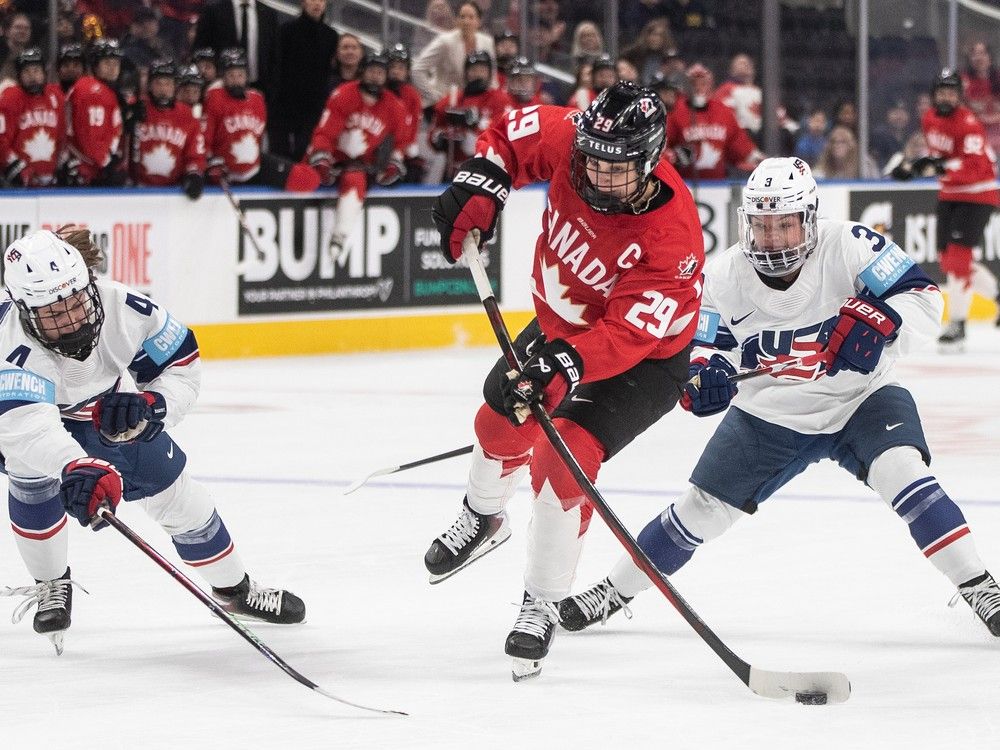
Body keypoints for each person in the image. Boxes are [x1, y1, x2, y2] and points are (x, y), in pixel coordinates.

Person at [558, 157, 1000, 643]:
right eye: (762, 226)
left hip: (862, 397)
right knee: (700, 509)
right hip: (769, 413)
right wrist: (704, 379)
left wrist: (882, 320)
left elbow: (924, 298)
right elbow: (701, 350)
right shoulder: (723, 275)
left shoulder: (850, 244)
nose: (772, 238)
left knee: (904, 471)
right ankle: (615, 590)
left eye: (785, 224)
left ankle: (979, 585)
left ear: (809, 217)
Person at [424, 81, 704, 680]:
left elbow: (628, 336)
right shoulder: (576, 140)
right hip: (562, 327)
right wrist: (482, 184)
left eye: (615, 168)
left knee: (560, 457)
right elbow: (508, 137)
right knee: (496, 419)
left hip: (643, 361)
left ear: (650, 162)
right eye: (592, 160)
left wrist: (564, 367)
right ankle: (484, 513)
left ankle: (541, 601)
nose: (597, 175)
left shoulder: (671, 240)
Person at [0, 228, 306, 655]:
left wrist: (152, 407)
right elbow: (27, 428)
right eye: (53, 312)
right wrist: (75, 466)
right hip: (21, 421)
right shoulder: (10, 346)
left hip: (103, 405)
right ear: (23, 310)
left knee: (183, 499)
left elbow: (182, 363)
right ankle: (52, 583)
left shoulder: (124, 306)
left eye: (74, 302)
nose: (71, 319)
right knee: (31, 476)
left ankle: (236, 589)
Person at [893, 69, 1000, 347]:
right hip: (950, 194)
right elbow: (941, 158)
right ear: (933, 95)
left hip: (977, 196)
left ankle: (958, 324)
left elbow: (976, 167)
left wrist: (938, 166)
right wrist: (914, 166)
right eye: (941, 92)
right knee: (948, 261)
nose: (946, 97)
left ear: (959, 96)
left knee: (958, 261)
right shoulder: (929, 118)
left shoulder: (969, 123)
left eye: (951, 92)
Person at [306, 51, 407, 260]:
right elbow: (325, 132)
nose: (375, 76)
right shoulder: (344, 94)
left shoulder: (394, 106)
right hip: (333, 160)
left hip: (362, 166)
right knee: (303, 178)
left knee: (355, 180)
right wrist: (322, 156)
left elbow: (400, 141)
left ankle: (339, 237)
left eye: (380, 72)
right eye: (371, 71)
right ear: (362, 72)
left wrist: (394, 162)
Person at [203, 48, 319, 191]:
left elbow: (259, 138)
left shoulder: (257, 99)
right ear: (223, 77)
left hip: (254, 166)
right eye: (231, 75)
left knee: (307, 179)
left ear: (247, 76)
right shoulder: (214, 98)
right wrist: (210, 161)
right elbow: (204, 138)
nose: (236, 80)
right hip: (224, 168)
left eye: (240, 75)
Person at [667, 63, 763, 181]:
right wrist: (672, 156)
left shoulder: (723, 112)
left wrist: (758, 158)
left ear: (710, 85)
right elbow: (662, 148)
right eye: (693, 84)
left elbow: (740, 145)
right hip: (684, 183)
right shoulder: (675, 112)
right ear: (686, 86)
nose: (698, 88)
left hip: (718, 186)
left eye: (703, 84)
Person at [270, 0, 338, 160]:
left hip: (314, 104)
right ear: (303, 3)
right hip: (284, 101)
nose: (317, 4)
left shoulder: (331, 35)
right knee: (281, 152)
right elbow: (276, 64)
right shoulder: (286, 31)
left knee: (305, 150)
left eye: (321, 0)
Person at [428, 51, 511, 179]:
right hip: (455, 170)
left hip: (487, 170)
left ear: (489, 73)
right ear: (466, 72)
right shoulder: (452, 100)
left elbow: (501, 133)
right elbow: (434, 131)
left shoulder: (500, 99)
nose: (477, 74)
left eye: (482, 70)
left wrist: (475, 126)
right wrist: (439, 137)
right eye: (473, 70)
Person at [131, 59, 206, 199]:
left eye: (168, 84)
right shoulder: (136, 109)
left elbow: (195, 153)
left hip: (174, 193)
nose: (163, 89)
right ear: (150, 86)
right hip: (138, 191)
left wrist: (194, 174)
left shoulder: (186, 115)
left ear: (175, 86)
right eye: (158, 84)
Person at [411, 1, 496, 109]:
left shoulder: (487, 42)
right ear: (456, 20)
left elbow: (492, 78)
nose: (466, 21)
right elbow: (417, 69)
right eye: (462, 17)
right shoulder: (445, 41)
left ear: (479, 21)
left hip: (476, 104)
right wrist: (435, 97)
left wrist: (492, 100)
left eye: (471, 17)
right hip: (444, 104)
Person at [0, 48, 65, 188]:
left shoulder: (56, 96)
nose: (32, 76)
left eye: (36, 71)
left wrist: (61, 164)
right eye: (27, 72)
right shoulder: (10, 98)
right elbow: (1, 139)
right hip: (18, 182)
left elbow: (61, 136)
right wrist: (15, 166)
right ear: (19, 76)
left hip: (51, 179)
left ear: (44, 73)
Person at [64, 38, 125, 186]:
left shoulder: (105, 90)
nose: (112, 68)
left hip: (90, 167)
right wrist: (105, 164)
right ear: (95, 65)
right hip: (87, 170)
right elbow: (90, 137)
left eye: (115, 63)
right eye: (107, 63)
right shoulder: (92, 90)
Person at [384, 43, 426, 184]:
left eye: (401, 68)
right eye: (393, 67)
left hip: (403, 151)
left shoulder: (412, 95)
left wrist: (403, 149)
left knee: (415, 168)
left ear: (407, 71)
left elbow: (414, 125)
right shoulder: (379, 91)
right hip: (379, 148)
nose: (396, 71)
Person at [812, 124, 878, 179]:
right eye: (833, 142)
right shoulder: (822, 167)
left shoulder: (864, 163)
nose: (837, 145)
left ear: (851, 145)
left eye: (843, 142)